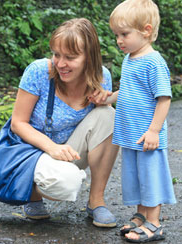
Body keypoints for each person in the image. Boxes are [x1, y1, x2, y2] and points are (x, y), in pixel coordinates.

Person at [10, 18, 119, 227]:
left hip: (69, 153)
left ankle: (96, 201)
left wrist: (103, 100)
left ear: (89, 57)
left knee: (108, 115)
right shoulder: (39, 71)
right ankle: (31, 193)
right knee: (66, 185)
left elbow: (101, 129)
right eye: (56, 54)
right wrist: (52, 148)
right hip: (33, 154)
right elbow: (18, 123)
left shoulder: (101, 76)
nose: (60, 64)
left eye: (70, 57)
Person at [89, 0, 176, 242]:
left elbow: (164, 99)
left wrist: (154, 131)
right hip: (129, 134)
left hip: (147, 136)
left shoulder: (153, 62)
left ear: (146, 31)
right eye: (116, 34)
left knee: (151, 178)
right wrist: (107, 99)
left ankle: (154, 223)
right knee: (135, 178)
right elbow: (127, 92)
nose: (119, 40)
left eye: (124, 34)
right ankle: (140, 215)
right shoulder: (130, 59)